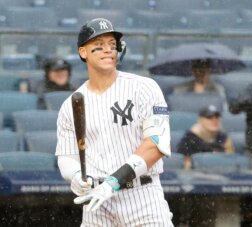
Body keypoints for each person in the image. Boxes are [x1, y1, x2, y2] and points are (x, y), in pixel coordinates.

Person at [55, 18, 173, 226]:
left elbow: (156, 144)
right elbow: (66, 156)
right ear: (83, 52)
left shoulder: (144, 88)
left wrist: (112, 183)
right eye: (98, 45)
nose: (107, 50)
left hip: (142, 196)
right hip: (96, 203)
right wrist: (75, 177)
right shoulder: (71, 104)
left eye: (112, 44)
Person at [177, 104, 234, 170]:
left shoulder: (223, 137)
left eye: (217, 117)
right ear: (200, 120)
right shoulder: (189, 139)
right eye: (209, 117)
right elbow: (185, 165)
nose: (214, 120)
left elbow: (230, 161)